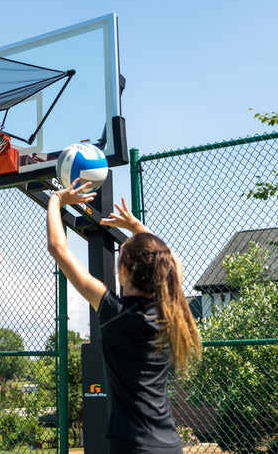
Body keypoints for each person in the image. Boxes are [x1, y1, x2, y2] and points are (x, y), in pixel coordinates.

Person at [46, 180, 202, 454]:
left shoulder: (116, 315)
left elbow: (58, 248)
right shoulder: (171, 311)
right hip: (170, 445)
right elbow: (171, 262)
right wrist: (137, 228)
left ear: (123, 269)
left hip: (133, 447)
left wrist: (57, 199)